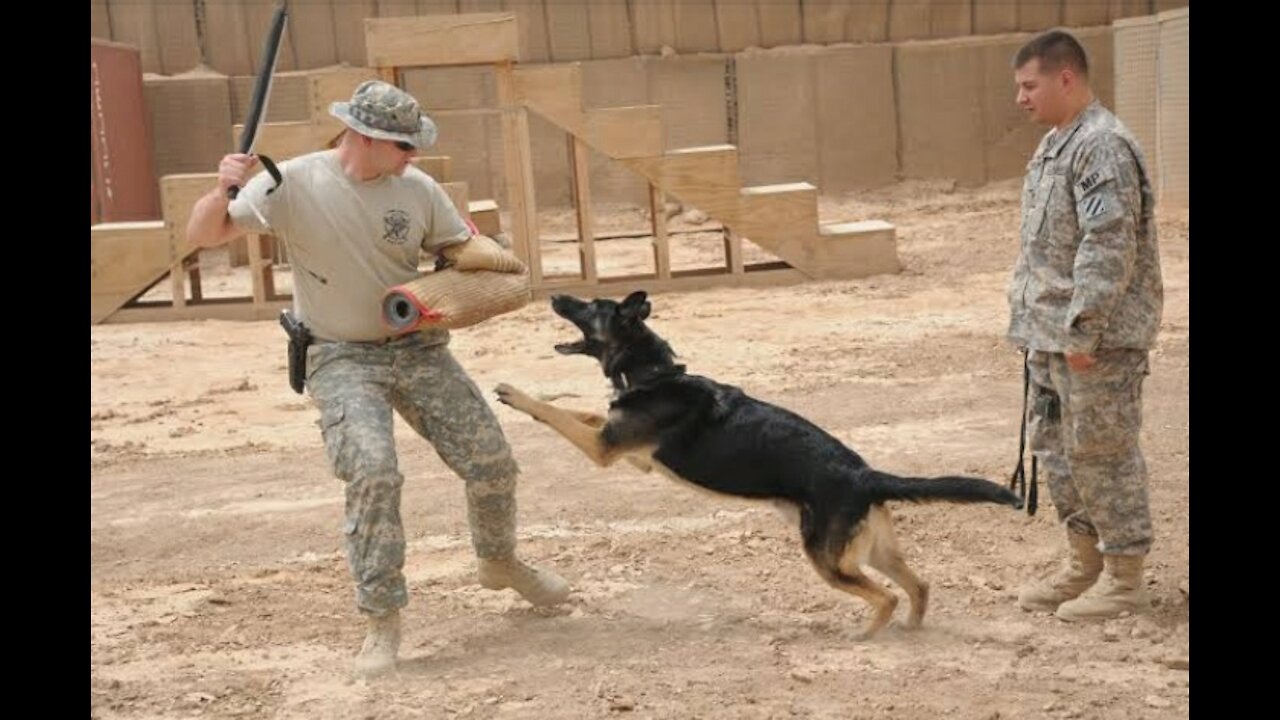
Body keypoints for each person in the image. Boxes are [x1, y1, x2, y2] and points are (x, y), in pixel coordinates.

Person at [186, 80, 570, 675]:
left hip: (417, 347)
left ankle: (499, 561)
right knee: (373, 472)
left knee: (491, 460)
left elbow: (459, 248)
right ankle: (381, 621)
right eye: (403, 146)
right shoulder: (291, 183)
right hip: (340, 356)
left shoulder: (417, 190)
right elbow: (204, 235)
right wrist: (222, 189)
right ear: (363, 137)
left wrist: (480, 264)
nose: (413, 156)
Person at [1005, 30, 1163, 622]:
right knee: (1059, 451)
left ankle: (1124, 576)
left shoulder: (1101, 146)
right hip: (1049, 335)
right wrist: (1033, 325)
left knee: (1102, 451)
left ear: (1065, 77)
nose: (1021, 98)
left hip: (1094, 341)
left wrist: (1084, 330)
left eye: (1029, 85)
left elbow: (1107, 244)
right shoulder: (1056, 145)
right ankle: (1085, 563)